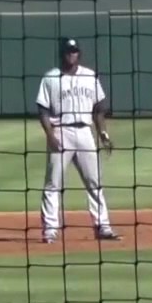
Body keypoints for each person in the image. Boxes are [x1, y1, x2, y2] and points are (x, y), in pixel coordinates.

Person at [35, 37, 119, 243]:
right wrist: (50, 135)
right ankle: (50, 230)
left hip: (84, 133)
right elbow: (43, 111)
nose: (71, 55)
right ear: (62, 54)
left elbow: (99, 109)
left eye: (74, 51)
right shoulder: (50, 78)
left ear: (78, 54)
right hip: (60, 131)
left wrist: (103, 134)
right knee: (53, 184)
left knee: (95, 182)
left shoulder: (90, 76)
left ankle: (103, 227)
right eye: (68, 51)